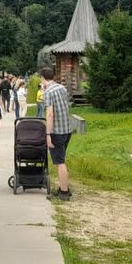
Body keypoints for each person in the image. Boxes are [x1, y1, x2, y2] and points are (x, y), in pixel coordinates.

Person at [40, 66, 74, 201]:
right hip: (67, 129)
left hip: (56, 131)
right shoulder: (62, 88)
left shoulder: (48, 92)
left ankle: (64, 193)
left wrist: (47, 134)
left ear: (42, 78)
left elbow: (50, 114)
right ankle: (63, 187)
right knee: (62, 160)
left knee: (60, 162)